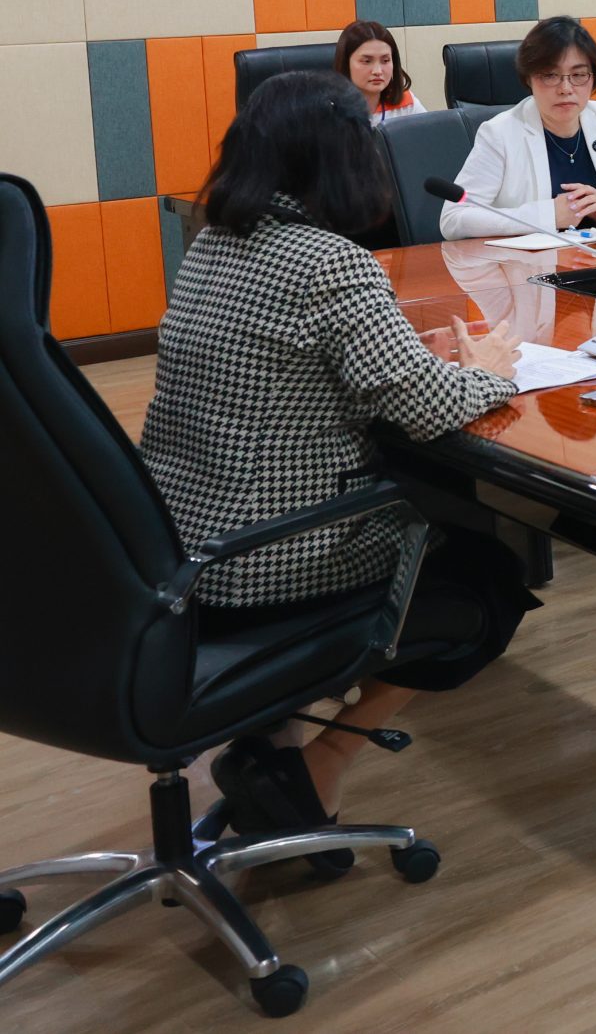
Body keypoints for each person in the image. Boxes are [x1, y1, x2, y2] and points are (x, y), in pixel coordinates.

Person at [141, 71, 530, 856]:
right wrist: (492, 368)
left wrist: (411, 358)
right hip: (270, 565)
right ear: (345, 159)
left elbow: (295, 372)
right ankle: (320, 767)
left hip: (179, 555)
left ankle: (271, 743)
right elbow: (427, 405)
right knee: (487, 577)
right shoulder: (329, 262)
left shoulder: (212, 243)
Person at [440, 17, 596, 239]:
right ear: (529, 79)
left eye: (578, 75)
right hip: (530, 262)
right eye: (550, 75)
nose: (565, 88)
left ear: (593, 79)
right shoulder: (500, 133)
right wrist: (546, 216)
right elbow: (454, 218)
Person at [334, 20, 421, 123]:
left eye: (385, 61)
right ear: (346, 63)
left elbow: (431, 132)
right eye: (367, 61)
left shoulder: (406, 102)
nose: (377, 71)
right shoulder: (328, 111)